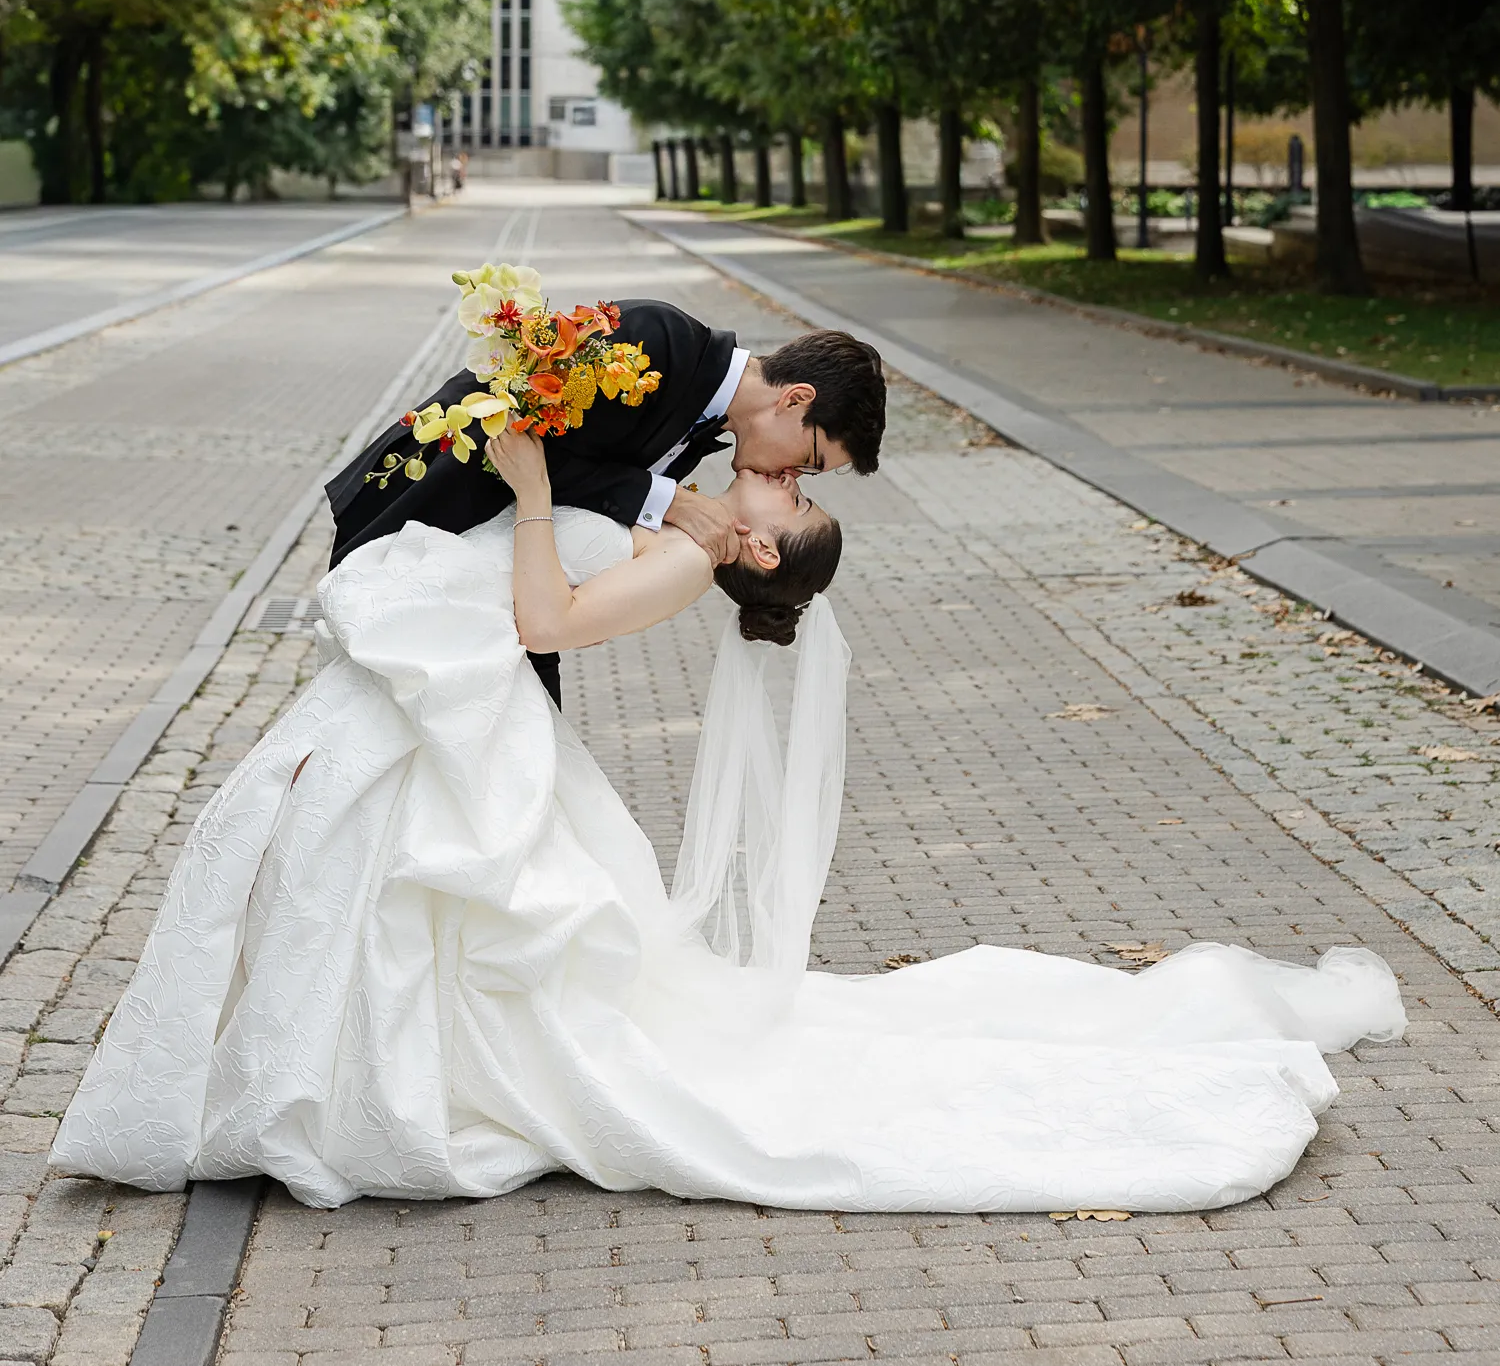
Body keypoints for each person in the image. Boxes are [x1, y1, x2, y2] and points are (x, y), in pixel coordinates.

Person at [52, 427, 1403, 1216]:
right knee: (356, 905)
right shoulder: (677, 525)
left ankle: (328, 1088)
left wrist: (531, 492)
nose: (780, 480)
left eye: (791, 500)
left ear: (760, 552)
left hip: (455, 711)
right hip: (426, 708)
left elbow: (541, 622)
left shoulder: (687, 561)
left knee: (433, 931)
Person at [325, 304, 886, 709]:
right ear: (795, 400)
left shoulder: (700, 430)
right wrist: (664, 501)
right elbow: (529, 447)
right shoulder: (658, 341)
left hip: (477, 595)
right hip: (421, 505)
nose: (792, 475)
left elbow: (573, 506)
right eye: (809, 461)